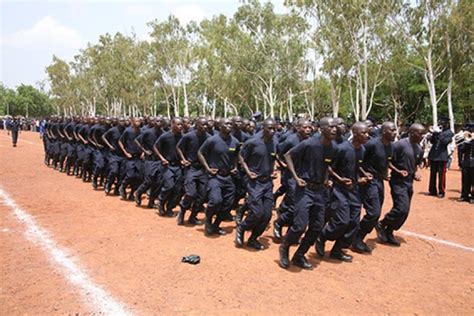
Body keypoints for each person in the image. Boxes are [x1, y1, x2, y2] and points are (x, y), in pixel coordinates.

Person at [278, 117, 337, 269]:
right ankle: (285, 246)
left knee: (317, 226)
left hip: (320, 190)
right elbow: (288, 155)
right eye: (331, 127)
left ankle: (299, 255)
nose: (335, 129)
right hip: (305, 189)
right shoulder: (309, 143)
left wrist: (326, 179)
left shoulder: (332, 147)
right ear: (322, 129)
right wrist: (296, 177)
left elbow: (326, 165)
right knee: (299, 225)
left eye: (335, 127)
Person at [316, 121, 371, 262]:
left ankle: (338, 250)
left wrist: (363, 176)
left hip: (354, 191)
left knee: (353, 222)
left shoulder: (362, 150)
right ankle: (322, 236)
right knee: (342, 221)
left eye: (367, 132)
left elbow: (356, 167)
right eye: (363, 133)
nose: (367, 135)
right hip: (339, 190)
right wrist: (340, 179)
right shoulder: (341, 149)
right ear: (355, 133)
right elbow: (329, 167)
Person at [375, 123, 425, 246]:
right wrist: (396, 171)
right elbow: (388, 161)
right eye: (420, 133)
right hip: (398, 182)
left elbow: (415, 165)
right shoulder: (399, 145)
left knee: (405, 211)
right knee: (401, 208)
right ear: (412, 133)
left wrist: (416, 173)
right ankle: (383, 223)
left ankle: (389, 231)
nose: (422, 136)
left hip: (409, 182)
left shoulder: (419, 148)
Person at [352, 122, 397, 254]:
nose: (395, 133)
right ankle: (356, 238)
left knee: (376, 213)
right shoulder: (371, 144)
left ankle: (358, 237)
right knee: (373, 212)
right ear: (384, 131)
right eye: (392, 130)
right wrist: (363, 174)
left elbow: (386, 161)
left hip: (379, 181)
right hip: (368, 182)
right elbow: (357, 159)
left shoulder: (390, 146)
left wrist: (384, 173)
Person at [235, 118, 277, 250]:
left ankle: (253, 238)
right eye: (269, 128)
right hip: (254, 182)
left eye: (274, 129)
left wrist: (273, 169)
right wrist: (248, 172)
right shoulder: (252, 142)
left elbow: (273, 158)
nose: (272, 131)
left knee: (267, 215)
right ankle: (242, 227)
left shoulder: (274, 142)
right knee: (257, 212)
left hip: (268, 182)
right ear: (263, 128)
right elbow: (241, 156)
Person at [272, 118, 313, 241]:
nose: (307, 129)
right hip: (292, 176)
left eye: (309, 127)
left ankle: (289, 225)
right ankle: (279, 223)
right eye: (305, 127)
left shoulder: (310, 141)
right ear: (298, 128)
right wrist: (282, 164)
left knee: (300, 205)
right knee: (295, 204)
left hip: (305, 176)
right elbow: (279, 152)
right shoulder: (291, 140)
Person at [198, 117, 239, 236]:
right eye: (226, 124)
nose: (229, 126)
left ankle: (216, 225)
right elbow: (200, 153)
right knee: (216, 200)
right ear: (220, 127)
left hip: (228, 177)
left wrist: (235, 166)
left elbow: (236, 155)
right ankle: (208, 220)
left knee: (228, 203)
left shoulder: (235, 142)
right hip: (215, 176)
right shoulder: (212, 140)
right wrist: (207, 168)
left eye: (230, 124)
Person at [176, 117, 210, 225]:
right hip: (191, 168)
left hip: (203, 169)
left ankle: (193, 216)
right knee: (191, 193)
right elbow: (179, 147)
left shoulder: (209, 138)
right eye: (202, 125)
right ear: (197, 124)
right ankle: (182, 209)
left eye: (206, 125)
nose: (205, 127)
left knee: (202, 195)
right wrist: (183, 159)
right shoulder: (189, 136)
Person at [154, 117, 184, 217]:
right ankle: (161, 201)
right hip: (167, 165)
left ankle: (170, 207)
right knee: (169, 185)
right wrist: (162, 158)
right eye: (178, 124)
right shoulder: (165, 136)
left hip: (178, 166)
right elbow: (155, 147)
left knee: (177, 189)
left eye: (181, 124)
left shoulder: (182, 137)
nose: (180, 126)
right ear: (172, 124)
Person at [134, 117, 164, 208]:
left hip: (159, 160)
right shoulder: (147, 132)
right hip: (150, 160)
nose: (159, 123)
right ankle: (138, 192)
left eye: (160, 121)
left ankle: (151, 201)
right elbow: (137, 141)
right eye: (157, 121)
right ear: (153, 122)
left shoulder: (163, 133)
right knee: (149, 180)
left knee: (158, 182)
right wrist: (144, 150)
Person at [427, 117, 454, 198]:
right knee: (432, 174)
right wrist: (434, 134)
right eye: (440, 122)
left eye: (443, 123)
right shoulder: (437, 132)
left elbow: (445, 142)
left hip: (442, 156)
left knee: (441, 175)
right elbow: (432, 141)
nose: (441, 124)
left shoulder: (449, 133)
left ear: (447, 124)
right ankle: (432, 190)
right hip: (433, 155)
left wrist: (439, 134)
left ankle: (441, 191)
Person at [118, 117, 143, 200]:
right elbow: (120, 142)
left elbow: (144, 143)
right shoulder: (128, 131)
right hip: (130, 157)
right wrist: (125, 152)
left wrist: (143, 152)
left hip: (139, 157)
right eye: (136, 121)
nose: (138, 122)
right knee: (130, 175)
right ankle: (123, 186)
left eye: (139, 121)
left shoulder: (142, 132)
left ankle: (132, 193)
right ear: (132, 122)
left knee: (138, 177)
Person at [457, 123, 474, 203]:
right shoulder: (466, 140)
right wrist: (467, 142)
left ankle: (473, 197)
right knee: (465, 180)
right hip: (466, 162)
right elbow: (462, 150)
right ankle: (464, 195)